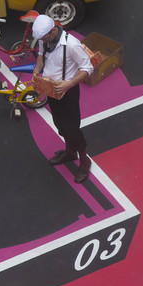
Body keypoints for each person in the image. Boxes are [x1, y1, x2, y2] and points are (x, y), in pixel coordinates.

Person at [31, 15, 94, 183]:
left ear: (53, 31)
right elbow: (41, 54)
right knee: (59, 123)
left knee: (72, 127)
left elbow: (88, 68)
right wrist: (37, 70)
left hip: (68, 91)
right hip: (51, 89)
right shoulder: (44, 40)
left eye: (44, 37)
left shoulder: (72, 45)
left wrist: (69, 83)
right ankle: (70, 152)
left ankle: (84, 160)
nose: (42, 41)